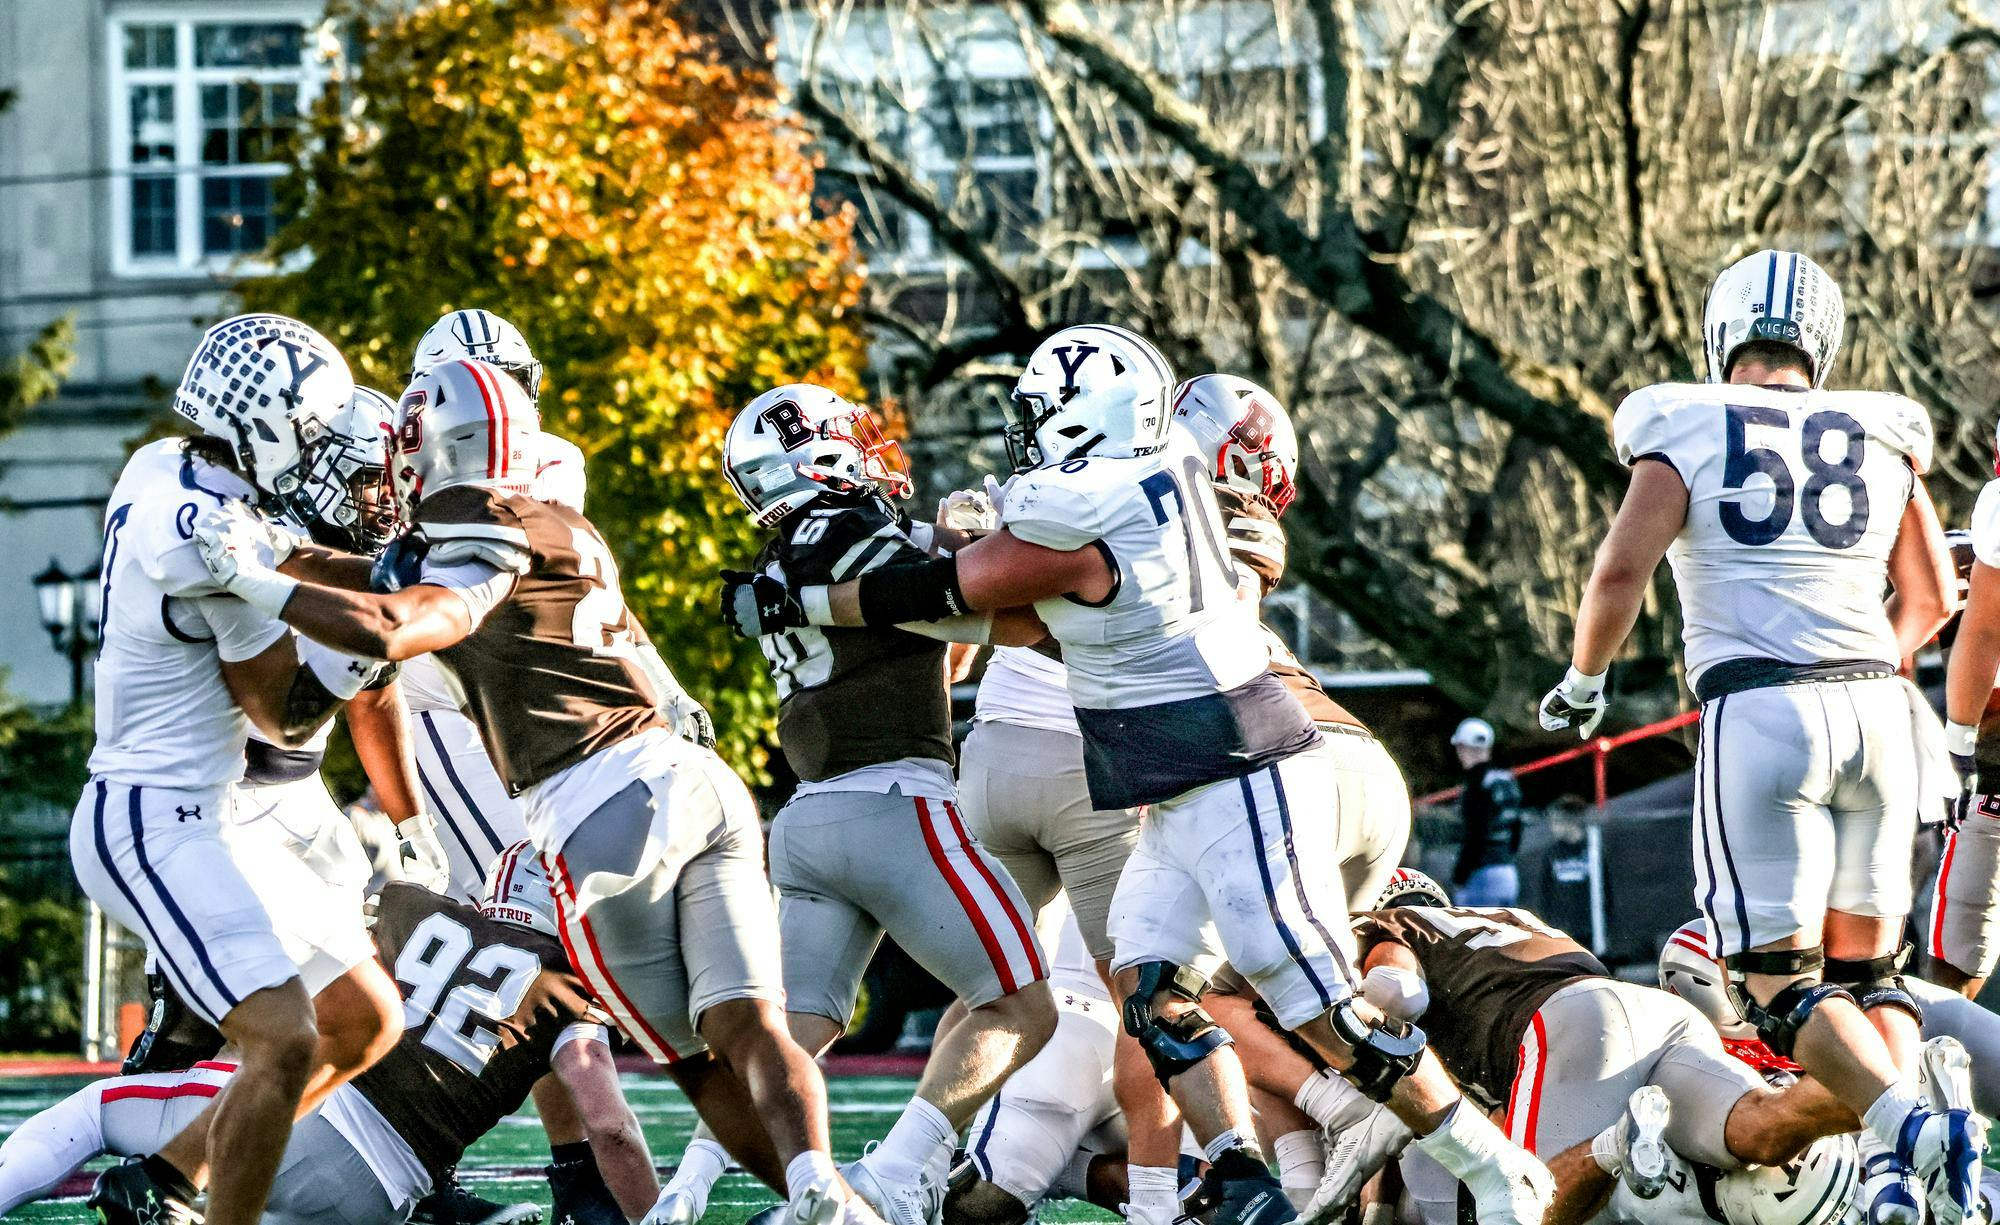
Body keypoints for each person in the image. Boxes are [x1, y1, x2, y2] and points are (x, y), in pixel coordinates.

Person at [722, 323, 1553, 1225]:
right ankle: (1237, 1184)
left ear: (1086, 419)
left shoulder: (1097, 495)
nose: (1027, 431)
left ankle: (1496, 1166)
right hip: (1173, 792)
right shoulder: (1149, 481)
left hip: (1244, 774)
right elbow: (984, 609)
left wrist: (799, 597)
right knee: (1153, 1000)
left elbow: (950, 591)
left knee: (1325, 1010)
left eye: (1042, 412)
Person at [189, 356, 877, 1225]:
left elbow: (401, 619)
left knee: (698, 1060)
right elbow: (384, 578)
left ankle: (802, 1196)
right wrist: (291, 554)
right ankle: (829, 1188)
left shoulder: (461, 514)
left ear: (432, 444)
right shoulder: (559, 520)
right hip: (700, 783)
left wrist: (261, 582)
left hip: (600, 806)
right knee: (752, 1025)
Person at [1537, 248, 1974, 1225]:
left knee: (1776, 987)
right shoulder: (1874, 429)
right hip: (1876, 709)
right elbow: (1932, 595)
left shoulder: (1684, 422)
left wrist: (1582, 679)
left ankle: (1905, 1130)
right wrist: (1868, 658)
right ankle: (1894, 1168)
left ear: (1722, 332)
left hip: (1759, 710)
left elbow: (1617, 574)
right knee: (1870, 977)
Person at [75, 314, 406, 1225]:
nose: (313, 463)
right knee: (285, 1037)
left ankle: (172, 1180)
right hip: (149, 815)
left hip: (212, 817)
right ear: (267, 424)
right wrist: (370, 648)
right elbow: (281, 707)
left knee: (365, 1021)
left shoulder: (168, 467)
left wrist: (390, 575)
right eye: (309, 438)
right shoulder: (196, 527)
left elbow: (275, 550)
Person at [702, 382, 1053, 1225]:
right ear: (818, 454)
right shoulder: (842, 525)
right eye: (849, 438)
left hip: (809, 816)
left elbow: (939, 644)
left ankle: (689, 1189)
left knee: (785, 1037)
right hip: (895, 802)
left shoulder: (786, 551)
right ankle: (898, 1175)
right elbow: (994, 614)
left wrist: (954, 544)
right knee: (1024, 1006)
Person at [0, 846, 657, 1225]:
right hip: (380, 1197)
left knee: (93, 1110)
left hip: (305, 1120)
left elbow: (321, 990)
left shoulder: (415, 906)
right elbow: (609, 1123)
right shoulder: (574, 991)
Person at [1447, 719, 1523, 907]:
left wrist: (1459, 876)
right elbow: (1517, 828)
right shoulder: (1506, 780)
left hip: (1481, 878)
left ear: (1464, 747)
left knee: (1474, 934)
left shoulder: (1476, 785)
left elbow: (1476, 836)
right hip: (1508, 874)